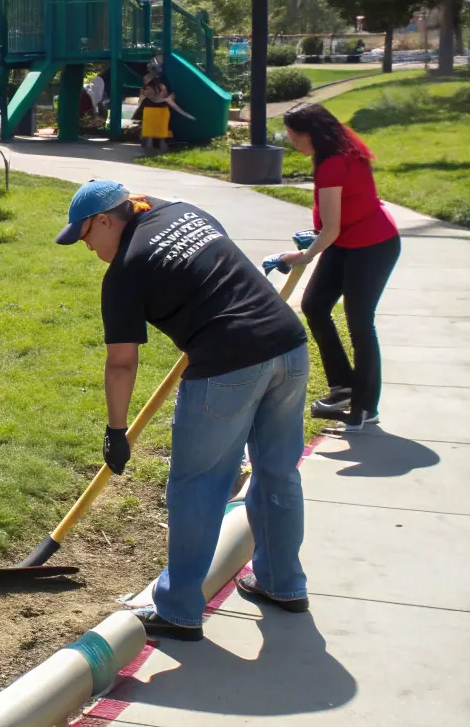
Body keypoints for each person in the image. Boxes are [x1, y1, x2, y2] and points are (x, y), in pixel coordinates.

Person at [55, 178, 311, 641]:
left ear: (107, 220)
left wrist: (116, 431)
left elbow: (121, 362)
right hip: (288, 346)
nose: (87, 248)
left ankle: (177, 610)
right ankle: (284, 583)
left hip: (227, 365)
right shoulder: (183, 214)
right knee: (278, 472)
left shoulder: (125, 273)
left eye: (85, 236)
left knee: (199, 486)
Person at [279, 103, 400, 429]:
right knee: (315, 305)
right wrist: (316, 238)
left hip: (373, 245)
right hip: (346, 242)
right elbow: (333, 224)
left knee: (360, 322)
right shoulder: (335, 149)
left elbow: (331, 227)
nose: (292, 141)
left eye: (292, 135)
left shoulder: (334, 162)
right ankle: (344, 387)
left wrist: (303, 257)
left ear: (309, 133)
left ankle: (364, 407)